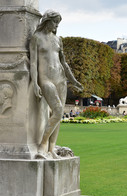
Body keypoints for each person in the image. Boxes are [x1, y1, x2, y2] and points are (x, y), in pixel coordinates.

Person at [30, 10, 83, 159]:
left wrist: (73, 80)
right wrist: (34, 83)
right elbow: (33, 63)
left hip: (60, 79)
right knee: (59, 110)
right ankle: (42, 145)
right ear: (47, 20)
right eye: (55, 22)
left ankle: (51, 149)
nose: (56, 25)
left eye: (58, 23)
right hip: (45, 79)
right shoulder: (36, 38)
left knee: (57, 115)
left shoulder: (58, 40)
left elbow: (63, 63)